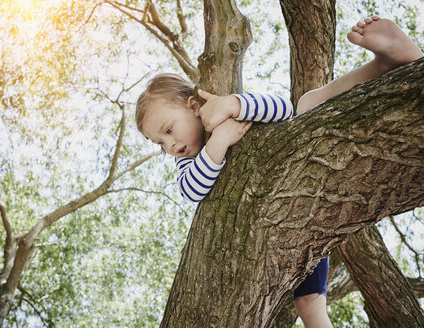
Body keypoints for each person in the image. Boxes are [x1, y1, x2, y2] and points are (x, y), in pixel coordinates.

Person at [135, 16, 422, 328]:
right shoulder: (187, 162)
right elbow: (191, 190)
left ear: (193, 107)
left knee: (308, 102)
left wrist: (233, 104)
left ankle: (384, 66)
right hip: (290, 232)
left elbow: (281, 109)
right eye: (159, 142)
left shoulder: (236, 108)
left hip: (303, 188)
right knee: (309, 307)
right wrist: (219, 142)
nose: (169, 144)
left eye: (168, 130)